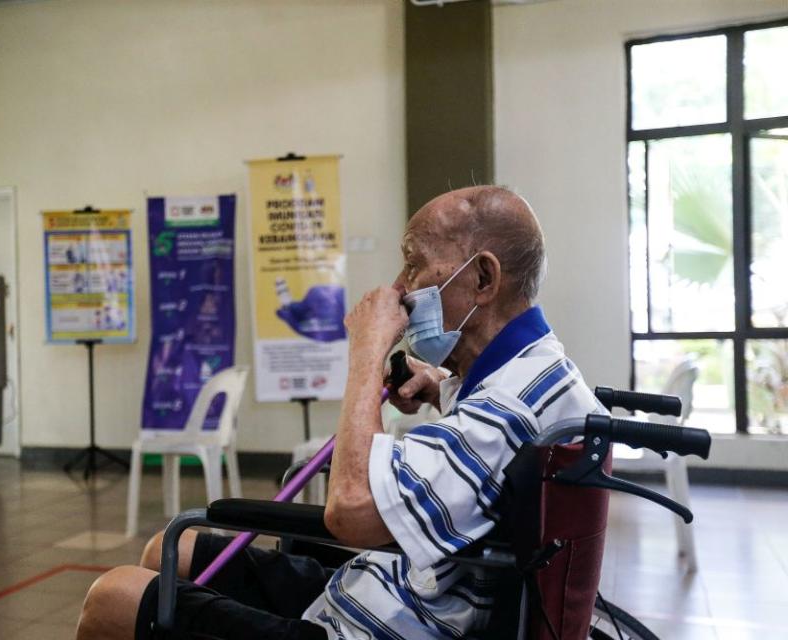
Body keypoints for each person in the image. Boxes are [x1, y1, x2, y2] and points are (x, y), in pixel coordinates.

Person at [76, 186, 600, 639]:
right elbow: (494, 435)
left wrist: (367, 353)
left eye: (414, 263)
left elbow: (350, 512)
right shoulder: (542, 375)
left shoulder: (502, 408)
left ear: (483, 279)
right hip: (389, 586)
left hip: (375, 624)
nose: (399, 286)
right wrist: (441, 386)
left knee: (114, 597)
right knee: (173, 551)